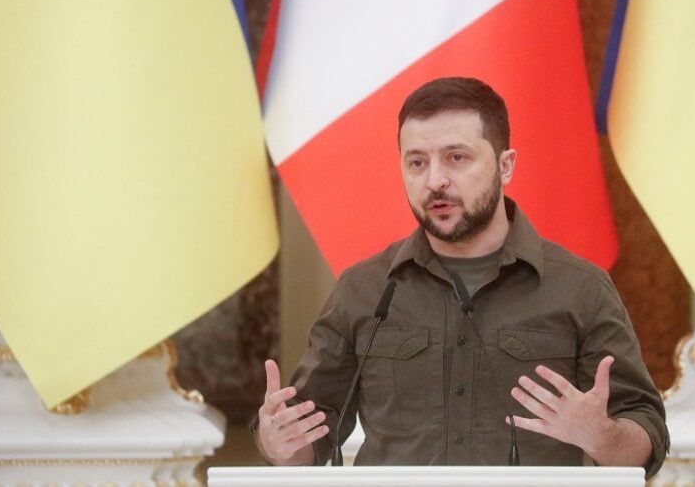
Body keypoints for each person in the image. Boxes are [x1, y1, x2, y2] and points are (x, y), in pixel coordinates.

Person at [254, 77, 669, 476]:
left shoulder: (581, 289)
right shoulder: (363, 290)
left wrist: (603, 437)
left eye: (457, 157)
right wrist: (279, 444)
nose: (435, 180)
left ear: (505, 166)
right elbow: (307, 438)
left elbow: (645, 439)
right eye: (417, 162)